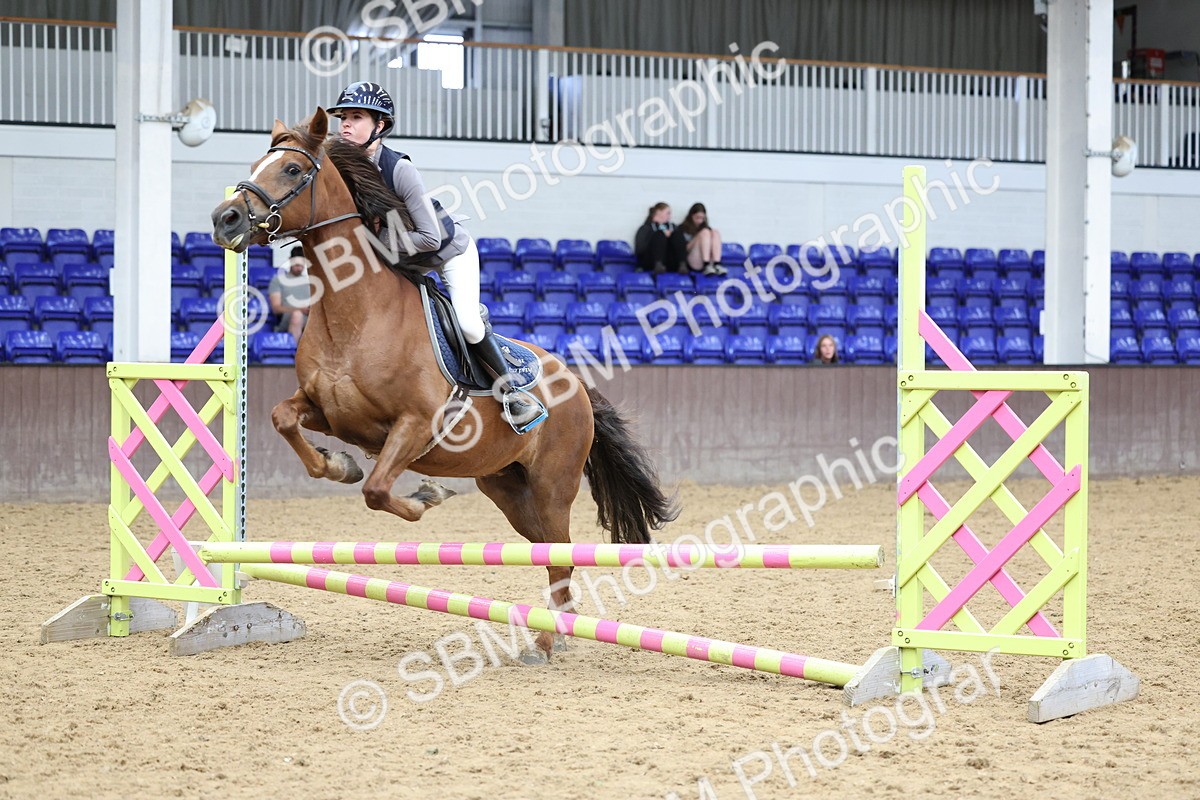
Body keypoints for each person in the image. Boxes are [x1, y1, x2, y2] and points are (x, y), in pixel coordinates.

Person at [327, 81, 543, 430]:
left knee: (469, 324)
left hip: (446, 252)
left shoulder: (399, 170)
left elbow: (428, 237)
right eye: (343, 118)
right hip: (401, 260)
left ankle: (513, 393)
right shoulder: (338, 169)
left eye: (356, 117)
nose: (346, 124)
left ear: (379, 125)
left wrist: (376, 244)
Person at [268, 246, 311, 340]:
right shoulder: (278, 280)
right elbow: (276, 308)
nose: (299, 268)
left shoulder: (309, 282)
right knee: (297, 315)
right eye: (296, 265)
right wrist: (299, 309)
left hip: (309, 318)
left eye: (301, 265)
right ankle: (295, 352)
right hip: (288, 320)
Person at [634, 202, 687, 273]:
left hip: (670, 260)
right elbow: (639, 250)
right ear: (659, 213)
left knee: (677, 234)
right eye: (668, 213)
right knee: (660, 234)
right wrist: (659, 236)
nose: (670, 216)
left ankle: (682, 264)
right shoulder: (646, 228)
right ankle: (658, 264)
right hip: (651, 260)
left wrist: (669, 237)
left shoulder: (673, 227)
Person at [679, 203, 726, 276]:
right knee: (705, 232)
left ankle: (717, 263)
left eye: (702, 218)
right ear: (691, 216)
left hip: (709, 261)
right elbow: (683, 249)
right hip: (693, 260)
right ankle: (706, 264)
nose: (699, 221)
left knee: (715, 232)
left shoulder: (706, 228)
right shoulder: (682, 228)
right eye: (697, 217)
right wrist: (697, 238)